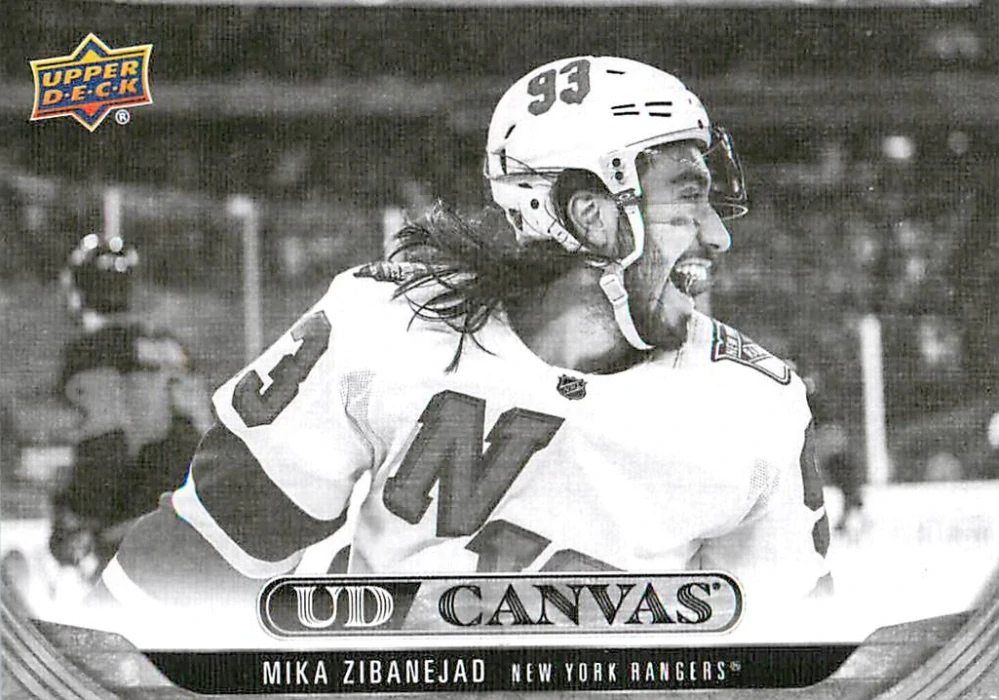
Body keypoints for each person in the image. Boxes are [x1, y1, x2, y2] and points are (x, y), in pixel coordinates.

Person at [95, 57, 831, 618]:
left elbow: (798, 657)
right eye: (688, 198)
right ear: (592, 216)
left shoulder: (756, 404)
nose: (717, 235)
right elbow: (197, 557)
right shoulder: (387, 328)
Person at [50, 233, 215, 581]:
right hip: (198, 524)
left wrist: (76, 518)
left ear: (78, 293)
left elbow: (105, 444)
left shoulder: (92, 351)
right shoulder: (173, 347)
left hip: (134, 533)